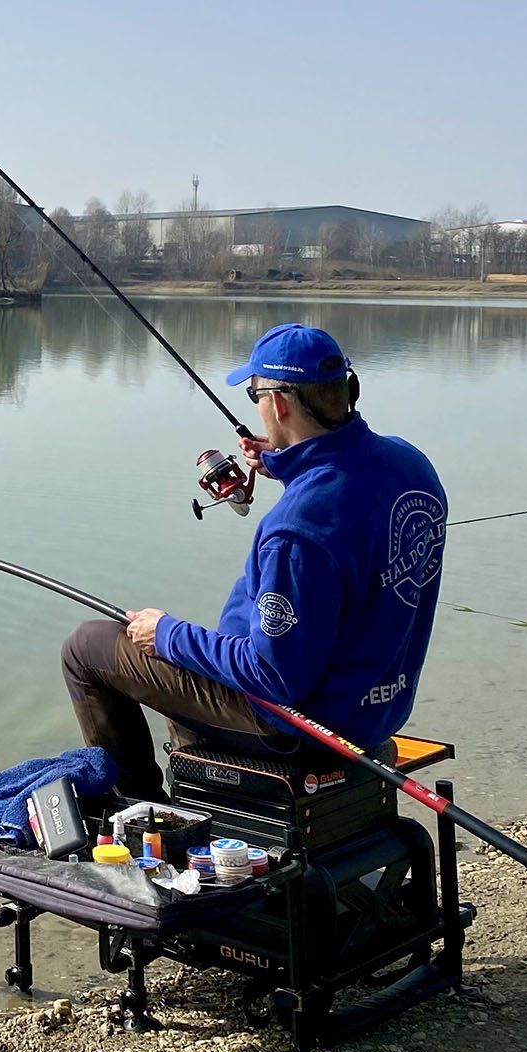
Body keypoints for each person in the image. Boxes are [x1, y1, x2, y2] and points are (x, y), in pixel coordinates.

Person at [61, 323, 447, 800]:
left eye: (255, 394)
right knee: (183, 661)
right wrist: (288, 462)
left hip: (302, 725)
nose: (258, 406)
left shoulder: (297, 529)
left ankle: (137, 810)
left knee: (86, 647)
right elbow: (348, 510)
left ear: (279, 404)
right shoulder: (410, 465)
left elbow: (274, 676)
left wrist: (165, 633)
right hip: (376, 709)